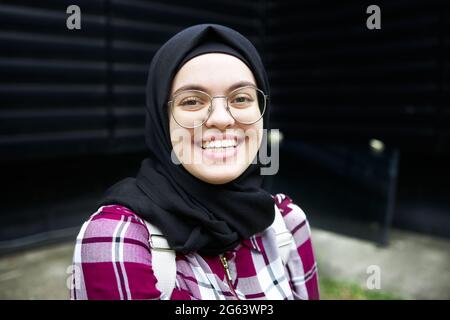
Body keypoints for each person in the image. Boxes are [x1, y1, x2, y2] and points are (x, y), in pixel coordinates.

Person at [70, 23, 319, 300]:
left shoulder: (287, 224)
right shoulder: (117, 239)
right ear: (162, 119)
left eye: (240, 98)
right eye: (191, 102)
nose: (222, 119)